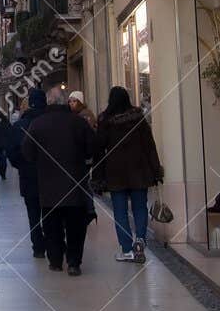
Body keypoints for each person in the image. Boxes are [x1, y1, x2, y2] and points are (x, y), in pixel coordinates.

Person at [22, 86, 95, 275]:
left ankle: (55, 260)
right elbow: (91, 149)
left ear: (48, 103)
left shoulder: (37, 124)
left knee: (51, 226)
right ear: (66, 102)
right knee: (75, 227)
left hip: (48, 186)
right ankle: (73, 262)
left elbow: (27, 153)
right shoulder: (78, 123)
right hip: (74, 184)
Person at [93, 86, 164, 263]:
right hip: (139, 170)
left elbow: (99, 149)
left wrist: (97, 177)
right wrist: (156, 170)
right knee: (140, 207)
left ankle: (127, 249)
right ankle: (140, 240)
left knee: (120, 211)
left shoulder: (105, 120)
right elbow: (149, 145)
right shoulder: (138, 118)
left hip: (115, 172)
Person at [8, 89, 48, 258]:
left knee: (33, 215)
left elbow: (12, 153)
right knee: (50, 213)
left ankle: (38, 247)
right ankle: (53, 247)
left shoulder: (19, 126)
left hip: (28, 176)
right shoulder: (50, 122)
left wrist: (22, 165)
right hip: (51, 177)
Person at [0, 102, 22, 182]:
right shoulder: (6, 121)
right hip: (5, 143)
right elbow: (10, 131)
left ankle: (2, 173)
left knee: (0, 158)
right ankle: (3, 174)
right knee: (3, 158)